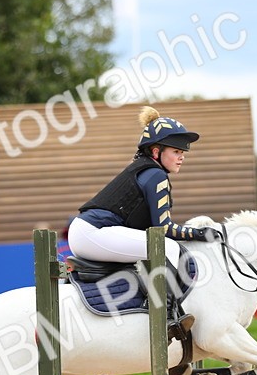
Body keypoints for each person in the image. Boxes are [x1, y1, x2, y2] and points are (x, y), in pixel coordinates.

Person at [68, 105, 222, 339]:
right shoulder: (155, 174)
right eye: (176, 150)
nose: (182, 155)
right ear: (156, 150)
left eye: (184, 151)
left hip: (90, 232)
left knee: (158, 247)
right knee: (167, 248)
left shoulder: (147, 171)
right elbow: (164, 230)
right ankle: (167, 318)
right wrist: (203, 234)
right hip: (94, 232)